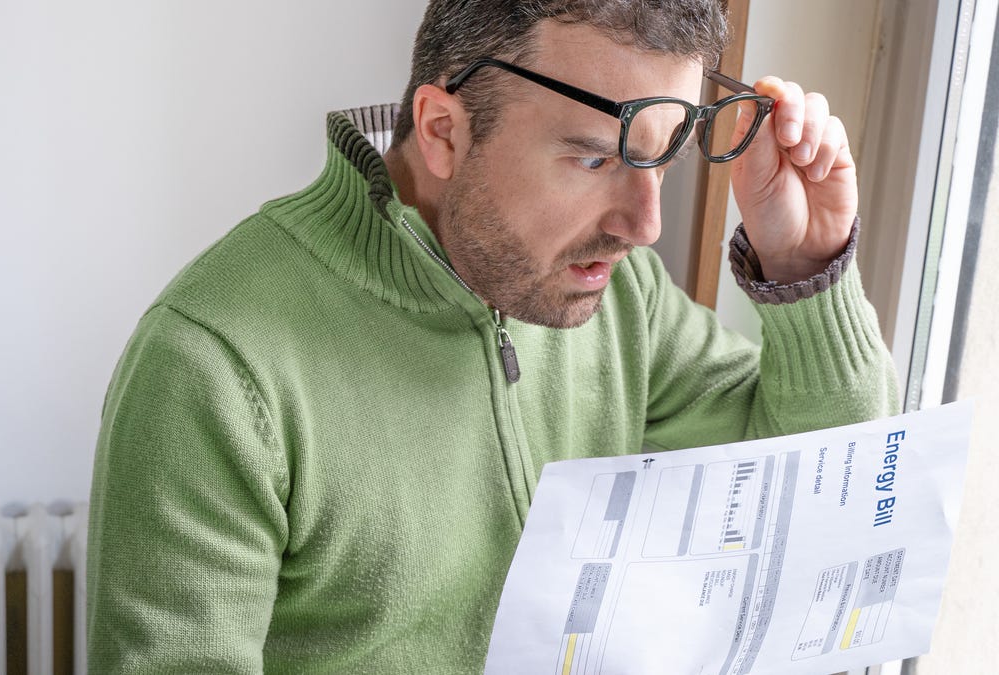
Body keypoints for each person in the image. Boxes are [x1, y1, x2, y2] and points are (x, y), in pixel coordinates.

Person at [86, 0, 898, 672]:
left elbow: (829, 496)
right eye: (594, 161)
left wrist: (806, 264)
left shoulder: (624, 298)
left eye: (664, 160)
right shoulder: (214, 364)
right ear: (443, 130)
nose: (644, 226)